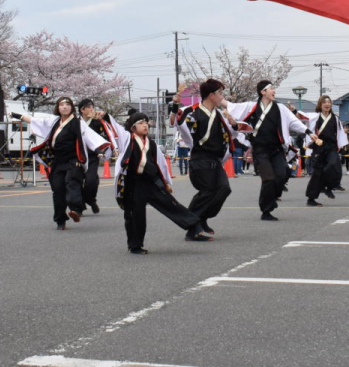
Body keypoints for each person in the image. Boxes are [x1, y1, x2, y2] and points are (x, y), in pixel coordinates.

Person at [114, 111, 211, 253]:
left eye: (146, 123)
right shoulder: (128, 140)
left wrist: (165, 182)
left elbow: (159, 163)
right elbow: (115, 129)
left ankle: (195, 227)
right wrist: (105, 117)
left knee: (171, 204)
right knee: (136, 215)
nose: (145, 125)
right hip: (134, 184)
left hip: (151, 181)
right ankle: (135, 245)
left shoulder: (151, 143)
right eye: (141, 123)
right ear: (133, 127)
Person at [20, 97, 111, 230]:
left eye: (67, 104)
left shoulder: (77, 122)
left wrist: (98, 150)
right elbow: (36, 121)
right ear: (58, 107)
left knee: (72, 182)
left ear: (72, 107)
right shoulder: (54, 121)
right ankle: (60, 220)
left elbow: (89, 136)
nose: (65, 106)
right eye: (61, 104)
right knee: (58, 190)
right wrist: (19, 116)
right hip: (58, 160)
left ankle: (76, 209)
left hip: (73, 159)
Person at [227, 81, 307, 221]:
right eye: (271, 88)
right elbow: (233, 108)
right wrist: (218, 99)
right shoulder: (251, 107)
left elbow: (293, 122)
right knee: (268, 178)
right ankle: (266, 210)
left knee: (282, 174)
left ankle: (272, 197)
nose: (274, 91)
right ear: (263, 92)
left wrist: (308, 131)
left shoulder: (280, 108)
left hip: (276, 149)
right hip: (260, 149)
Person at [170, 79, 237, 235]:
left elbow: (230, 134)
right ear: (211, 95)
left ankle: (202, 217)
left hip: (216, 160)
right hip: (200, 159)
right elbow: (174, 122)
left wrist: (234, 124)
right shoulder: (192, 111)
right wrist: (175, 105)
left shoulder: (218, 114)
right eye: (220, 93)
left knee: (224, 189)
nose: (222, 96)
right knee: (207, 192)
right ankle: (192, 227)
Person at [298, 95, 347, 206]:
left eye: (329, 102)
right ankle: (311, 199)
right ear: (320, 105)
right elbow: (300, 117)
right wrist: (293, 110)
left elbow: (339, 133)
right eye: (324, 102)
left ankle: (328, 187)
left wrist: (341, 145)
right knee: (317, 173)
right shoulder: (314, 116)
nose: (327, 104)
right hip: (318, 147)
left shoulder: (335, 118)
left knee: (334, 166)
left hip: (331, 147)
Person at [77, 99, 120, 215]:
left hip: (93, 155)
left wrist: (109, 148)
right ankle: (79, 206)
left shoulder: (97, 122)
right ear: (82, 110)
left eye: (92, 106)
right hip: (78, 155)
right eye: (89, 107)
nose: (92, 109)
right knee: (76, 181)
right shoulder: (76, 122)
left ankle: (91, 200)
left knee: (91, 181)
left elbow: (109, 133)